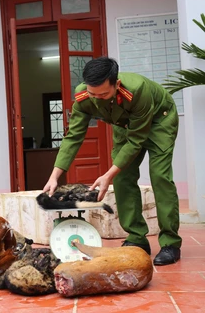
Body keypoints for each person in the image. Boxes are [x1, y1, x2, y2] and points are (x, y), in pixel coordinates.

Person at [42, 57, 181, 266]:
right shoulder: (83, 96)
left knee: (159, 176)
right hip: (124, 124)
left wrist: (107, 174)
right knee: (123, 177)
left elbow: (136, 141)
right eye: (92, 93)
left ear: (116, 84)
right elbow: (74, 136)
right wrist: (55, 176)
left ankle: (170, 242)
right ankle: (136, 238)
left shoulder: (137, 90)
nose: (97, 99)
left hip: (159, 120)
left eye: (104, 94)